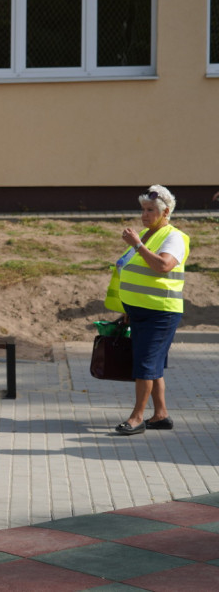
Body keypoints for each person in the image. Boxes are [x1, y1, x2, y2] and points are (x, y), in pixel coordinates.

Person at [104, 185, 187, 436]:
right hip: (140, 312)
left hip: (160, 312)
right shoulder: (145, 235)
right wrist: (127, 309)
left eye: (151, 210)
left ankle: (136, 418)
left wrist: (138, 245)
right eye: (143, 210)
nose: (145, 215)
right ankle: (160, 415)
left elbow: (163, 265)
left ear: (166, 212)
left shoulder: (175, 237)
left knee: (145, 365)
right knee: (153, 365)